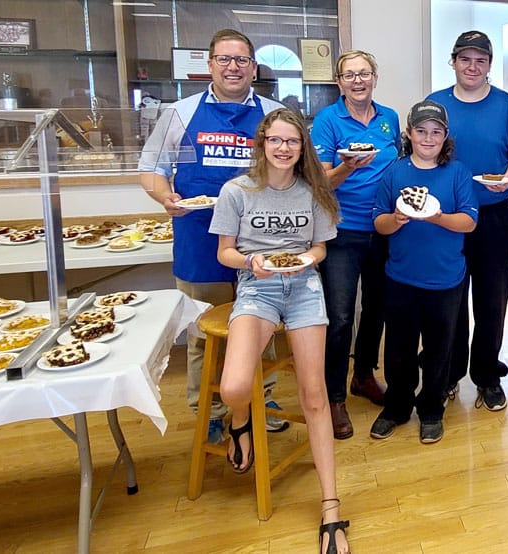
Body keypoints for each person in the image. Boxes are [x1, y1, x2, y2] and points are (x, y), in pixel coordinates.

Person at [208, 108, 349, 554]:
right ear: (263, 143)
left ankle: (330, 506)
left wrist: (306, 260)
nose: (284, 148)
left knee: (314, 396)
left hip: (304, 287)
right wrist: (253, 262)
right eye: (277, 141)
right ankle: (241, 421)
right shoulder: (237, 191)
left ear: (302, 147)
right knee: (233, 386)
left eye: (293, 142)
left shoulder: (313, 191)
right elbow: (225, 253)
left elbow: (320, 248)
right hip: (257, 287)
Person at [139, 29, 286, 445]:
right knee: (204, 330)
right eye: (224, 59)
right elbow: (150, 168)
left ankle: (264, 398)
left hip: (261, 242)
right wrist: (163, 195)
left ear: (254, 68)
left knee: (264, 325)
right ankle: (209, 408)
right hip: (198, 238)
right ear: (209, 66)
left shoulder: (274, 114)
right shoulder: (180, 113)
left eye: (241, 60)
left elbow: (292, 167)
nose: (233, 67)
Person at [426, 30, 508, 411]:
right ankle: (448, 374)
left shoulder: (506, 106)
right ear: (452, 61)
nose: (472, 66)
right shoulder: (435, 104)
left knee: (492, 299)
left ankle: (486, 375)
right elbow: (422, 154)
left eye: (480, 60)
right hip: (447, 217)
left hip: (494, 215)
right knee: (449, 298)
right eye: (465, 59)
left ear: (489, 65)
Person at [370, 100, 477, 443]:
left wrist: (438, 217)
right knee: (399, 347)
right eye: (421, 131)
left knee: (438, 349)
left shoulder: (457, 172)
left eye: (436, 132)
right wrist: (397, 218)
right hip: (401, 277)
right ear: (409, 134)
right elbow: (379, 222)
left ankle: (431, 409)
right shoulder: (395, 172)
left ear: (446, 137)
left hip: (446, 279)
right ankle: (396, 407)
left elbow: (469, 221)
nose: (428, 138)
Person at [310, 50, 401, 439]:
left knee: (377, 310)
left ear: (375, 78)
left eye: (364, 73)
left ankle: (363, 376)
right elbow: (320, 182)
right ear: (339, 82)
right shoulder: (328, 121)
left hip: (384, 229)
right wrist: (348, 165)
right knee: (341, 317)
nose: (358, 80)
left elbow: (398, 163)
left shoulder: (390, 119)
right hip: (342, 231)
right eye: (350, 75)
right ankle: (334, 399)